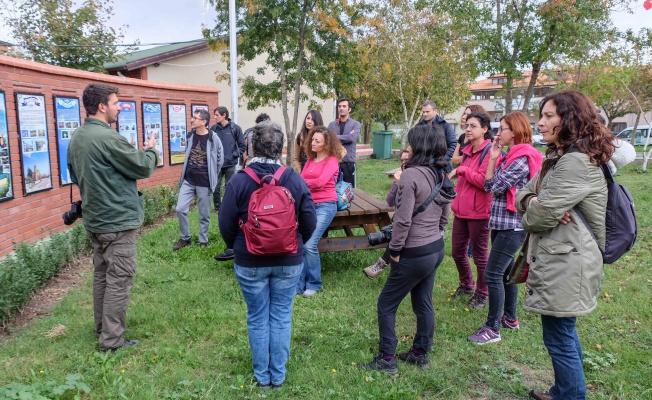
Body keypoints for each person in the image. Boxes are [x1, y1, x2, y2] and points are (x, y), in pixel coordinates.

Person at [515, 90, 615, 400]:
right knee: (561, 334)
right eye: (541, 115)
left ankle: (570, 396)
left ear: (569, 119)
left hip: (568, 263)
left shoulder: (573, 163)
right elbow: (524, 195)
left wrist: (538, 205)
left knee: (560, 337)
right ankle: (564, 391)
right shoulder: (559, 158)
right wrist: (535, 200)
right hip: (562, 260)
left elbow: (534, 219)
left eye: (548, 116)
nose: (540, 123)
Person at [218, 120, 316, 390]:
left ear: (250, 145)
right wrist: (296, 243)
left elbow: (225, 224)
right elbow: (309, 220)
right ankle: (278, 375)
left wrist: (240, 246)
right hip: (288, 261)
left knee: (257, 316)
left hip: (249, 262)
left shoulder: (239, 181)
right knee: (282, 315)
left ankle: (263, 377)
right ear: (281, 147)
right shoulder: (293, 178)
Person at [67, 83, 158, 352]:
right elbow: (142, 166)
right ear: (102, 106)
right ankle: (112, 341)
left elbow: (76, 177)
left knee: (103, 276)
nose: (120, 108)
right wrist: (151, 149)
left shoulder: (78, 137)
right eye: (117, 103)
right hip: (117, 221)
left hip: (96, 219)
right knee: (119, 279)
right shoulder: (107, 138)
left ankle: (103, 329)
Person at [359, 124, 455, 374]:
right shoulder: (438, 173)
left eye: (411, 143)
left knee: (386, 305)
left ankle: (387, 359)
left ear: (420, 146)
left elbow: (402, 220)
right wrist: (440, 228)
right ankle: (420, 353)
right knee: (423, 302)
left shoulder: (412, 175)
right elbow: (445, 208)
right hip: (435, 248)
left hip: (414, 251)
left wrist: (395, 250)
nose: (407, 147)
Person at [467, 111, 542, 345]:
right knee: (507, 274)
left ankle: (493, 328)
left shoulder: (521, 158)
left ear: (516, 131)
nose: (498, 134)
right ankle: (510, 319)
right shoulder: (509, 156)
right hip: (500, 223)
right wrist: (492, 159)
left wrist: (492, 166)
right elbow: (489, 183)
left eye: (502, 129)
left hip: (513, 227)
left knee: (493, 274)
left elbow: (494, 186)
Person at [448, 112, 493, 308]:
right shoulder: (466, 151)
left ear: (484, 129)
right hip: (461, 210)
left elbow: (485, 183)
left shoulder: (489, 152)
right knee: (457, 252)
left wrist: (462, 170)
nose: (468, 129)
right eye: (467, 125)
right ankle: (466, 284)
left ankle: (483, 293)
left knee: (481, 256)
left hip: (479, 213)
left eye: (473, 126)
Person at [297, 126, 345, 297]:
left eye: (317, 141)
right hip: (308, 205)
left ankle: (314, 283)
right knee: (301, 243)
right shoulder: (310, 160)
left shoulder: (332, 160)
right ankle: (299, 284)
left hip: (326, 205)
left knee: (310, 244)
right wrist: (309, 182)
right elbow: (304, 180)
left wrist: (306, 182)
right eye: (312, 140)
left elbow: (321, 182)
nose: (313, 143)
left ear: (327, 144)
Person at [172, 109, 224, 251]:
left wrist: (213, 174)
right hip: (189, 180)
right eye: (192, 117)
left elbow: (220, 160)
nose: (191, 120)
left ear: (203, 122)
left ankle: (203, 241)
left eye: (194, 118)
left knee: (204, 214)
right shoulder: (190, 136)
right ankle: (185, 238)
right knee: (180, 208)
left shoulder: (213, 138)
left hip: (204, 182)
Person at [362, 147, 413, 279]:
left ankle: (382, 264)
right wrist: (396, 183)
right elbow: (390, 201)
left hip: (411, 221)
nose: (403, 163)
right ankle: (385, 265)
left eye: (407, 159)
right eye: (402, 160)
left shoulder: (414, 178)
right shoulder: (400, 177)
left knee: (397, 235)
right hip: (400, 219)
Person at [212, 106, 246, 261]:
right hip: (217, 164)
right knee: (216, 186)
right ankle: (218, 207)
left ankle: (227, 207)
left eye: (217, 115)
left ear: (224, 115)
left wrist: (234, 155)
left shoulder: (235, 128)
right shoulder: (214, 129)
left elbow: (242, 146)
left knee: (229, 187)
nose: (215, 118)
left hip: (230, 164)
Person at [327, 98, 360, 187]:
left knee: (348, 191)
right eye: (339, 106)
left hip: (348, 163)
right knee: (332, 189)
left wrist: (334, 137)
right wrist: (346, 137)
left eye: (344, 106)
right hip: (333, 162)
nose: (341, 108)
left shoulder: (355, 124)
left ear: (349, 109)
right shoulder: (331, 125)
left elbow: (351, 138)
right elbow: (328, 140)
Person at [418, 100, 457, 169]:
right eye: (423, 112)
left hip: (441, 166)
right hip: (423, 164)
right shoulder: (419, 126)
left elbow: (452, 144)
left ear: (435, 111)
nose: (425, 114)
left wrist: (444, 159)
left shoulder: (445, 126)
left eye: (427, 112)